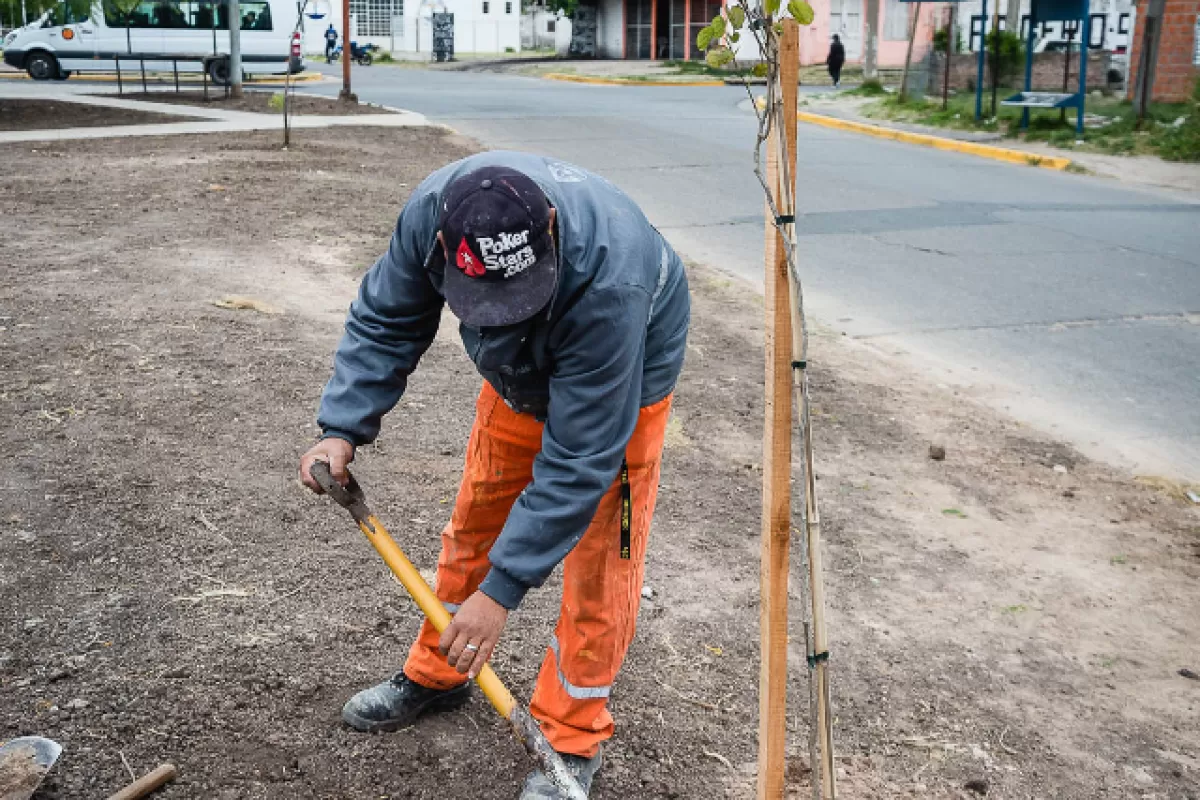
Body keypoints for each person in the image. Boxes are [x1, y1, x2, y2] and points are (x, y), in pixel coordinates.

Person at [298, 152, 690, 800]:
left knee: (600, 566)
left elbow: (579, 459)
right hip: (517, 379)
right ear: (449, 249)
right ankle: (439, 673)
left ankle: (570, 736)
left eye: (518, 300)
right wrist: (342, 424)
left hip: (624, 378)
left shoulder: (610, 283)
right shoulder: (434, 214)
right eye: (487, 303)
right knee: (476, 521)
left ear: (553, 230)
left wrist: (501, 593)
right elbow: (387, 317)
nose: (502, 314)